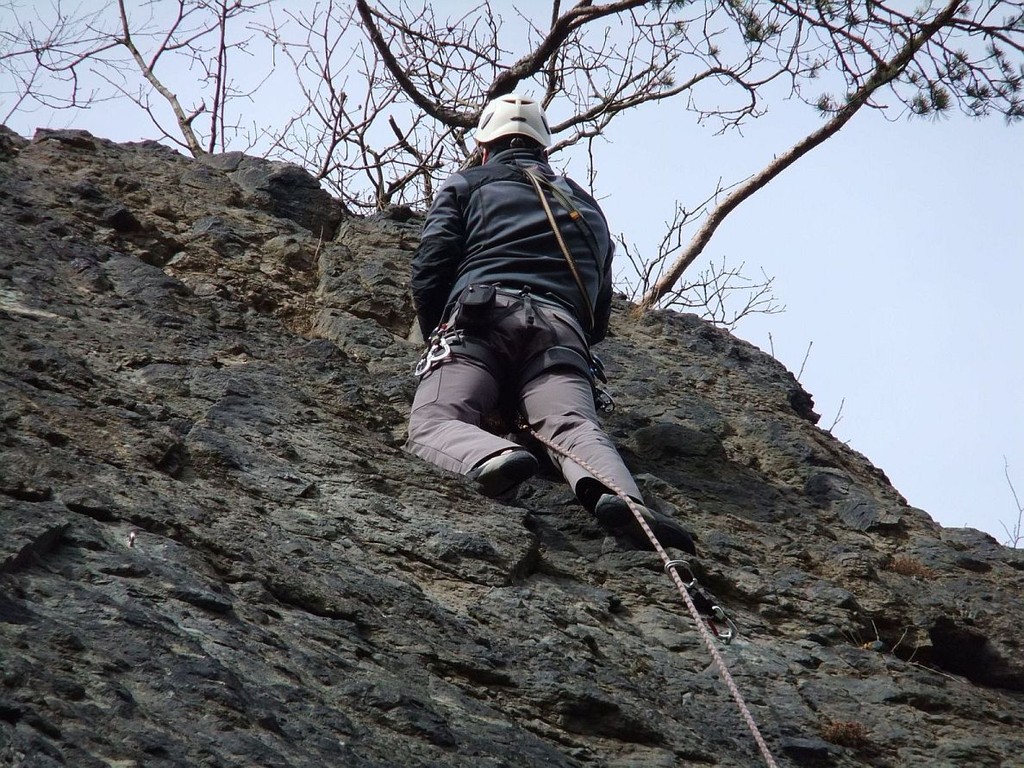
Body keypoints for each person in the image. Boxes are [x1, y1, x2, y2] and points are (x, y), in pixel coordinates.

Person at [405, 93, 694, 555]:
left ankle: (493, 456)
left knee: (435, 420)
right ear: (544, 149)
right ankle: (621, 499)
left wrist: (435, 329)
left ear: (485, 147)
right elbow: (597, 314)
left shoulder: (466, 183)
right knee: (572, 423)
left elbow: (431, 266)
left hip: (480, 319)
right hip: (562, 333)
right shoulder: (586, 207)